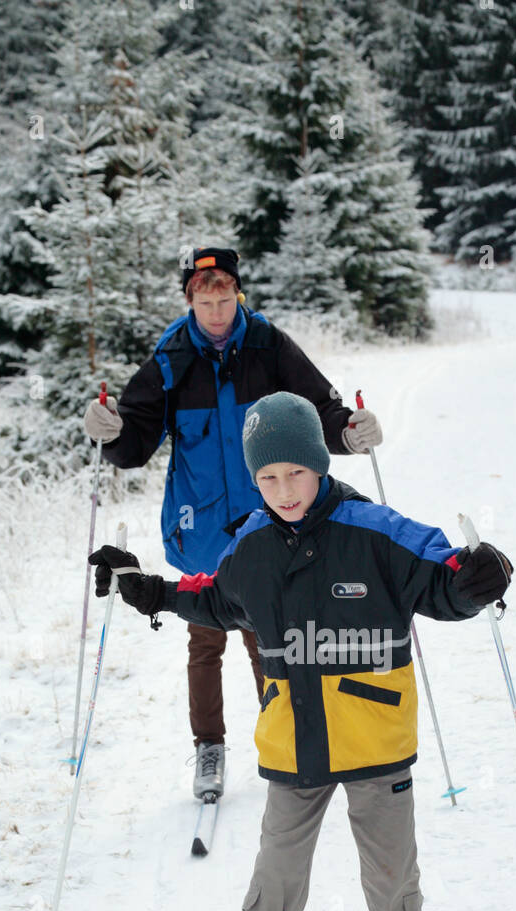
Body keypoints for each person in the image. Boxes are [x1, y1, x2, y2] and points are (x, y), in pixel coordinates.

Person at [89, 392, 513, 911]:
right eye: (267, 478)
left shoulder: (377, 530)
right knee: (274, 885)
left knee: (392, 878)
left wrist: (476, 580)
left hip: (376, 741)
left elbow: (444, 582)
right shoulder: (251, 544)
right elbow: (214, 599)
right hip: (294, 751)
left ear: (319, 464)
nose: (283, 491)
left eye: (295, 473)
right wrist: (150, 590)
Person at [83, 247, 382, 800]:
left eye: (225, 299)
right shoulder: (173, 357)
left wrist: (349, 433)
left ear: (237, 294)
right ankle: (210, 748)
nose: (216, 311)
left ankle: (286, 735)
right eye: (205, 301)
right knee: (205, 639)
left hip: (267, 519)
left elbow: (318, 409)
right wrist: (108, 429)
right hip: (199, 525)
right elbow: (134, 442)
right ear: (190, 301)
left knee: (269, 637)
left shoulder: (269, 346)